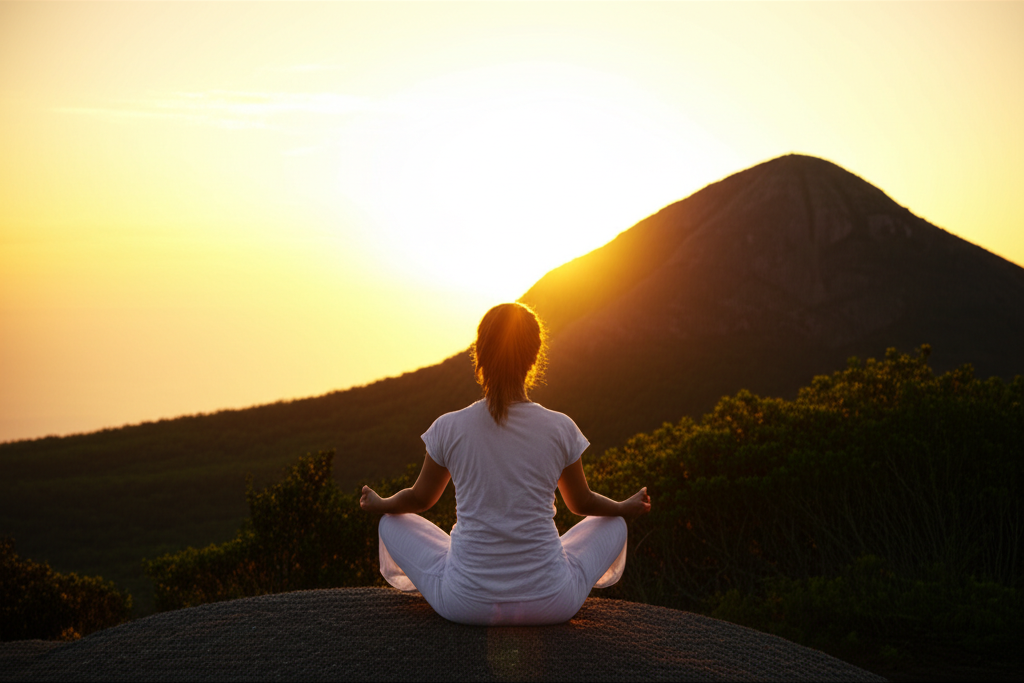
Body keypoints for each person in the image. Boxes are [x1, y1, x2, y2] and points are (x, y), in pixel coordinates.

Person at [359, 302, 651, 625]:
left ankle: (463, 571)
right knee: (615, 522)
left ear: (479, 355)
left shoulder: (450, 427)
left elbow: (419, 500)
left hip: (464, 602)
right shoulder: (560, 428)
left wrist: (380, 502)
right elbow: (581, 503)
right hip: (551, 600)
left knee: (389, 521)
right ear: (533, 358)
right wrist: (624, 506)